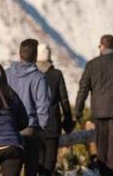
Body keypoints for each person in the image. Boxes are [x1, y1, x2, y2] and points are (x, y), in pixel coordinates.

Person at [74, 34, 113, 176]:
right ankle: (111, 172)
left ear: (101, 47)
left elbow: (83, 89)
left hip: (99, 112)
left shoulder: (92, 65)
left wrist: (78, 111)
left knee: (101, 145)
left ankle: (104, 173)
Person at [7, 39, 51, 176]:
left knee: (10, 170)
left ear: (20, 54)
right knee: (30, 169)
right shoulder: (39, 78)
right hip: (31, 130)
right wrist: (43, 127)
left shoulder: (7, 74)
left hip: (10, 129)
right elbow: (43, 106)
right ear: (35, 56)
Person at [38, 45, 75, 175]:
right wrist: (68, 121)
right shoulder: (56, 74)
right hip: (52, 124)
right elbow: (64, 100)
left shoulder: (32, 75)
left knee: (38, 160)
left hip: (35, 125)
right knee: (50, 160)